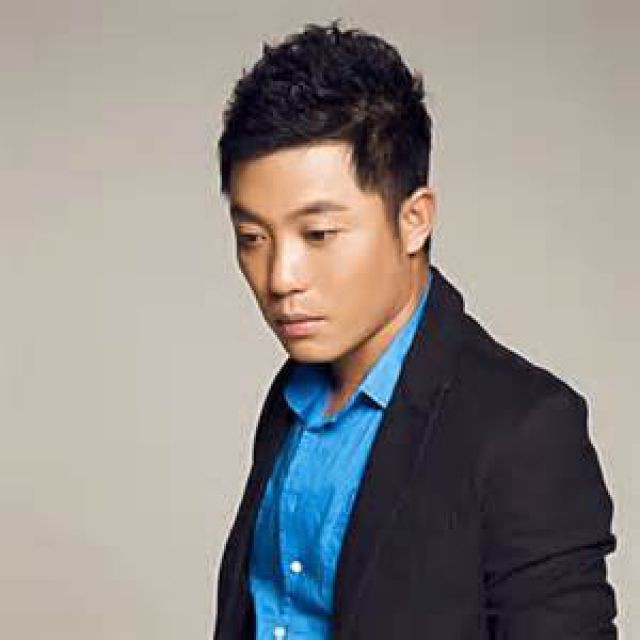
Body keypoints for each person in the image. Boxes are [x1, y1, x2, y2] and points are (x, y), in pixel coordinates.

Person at [212, 19, 617, 640]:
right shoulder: (292, 400)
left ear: (414, 219)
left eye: (318, 234)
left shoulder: (525, 429)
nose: (280, 277)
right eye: (252, 238)